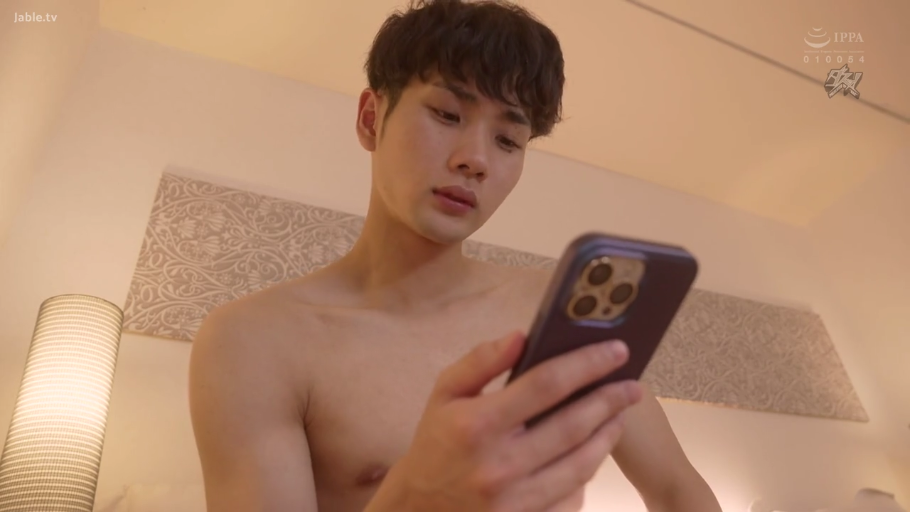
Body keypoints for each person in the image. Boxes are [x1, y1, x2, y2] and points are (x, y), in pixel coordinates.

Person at [188, 1, 723, 511]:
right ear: (372, 119)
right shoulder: (256, 340)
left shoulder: (555, 308)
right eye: (447, 114)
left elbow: (678, 491)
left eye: (508, 141)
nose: (476, 159)